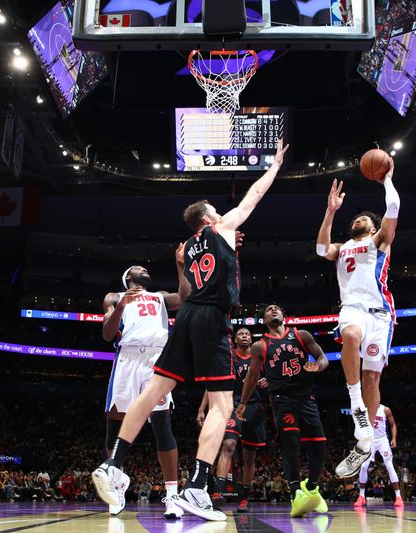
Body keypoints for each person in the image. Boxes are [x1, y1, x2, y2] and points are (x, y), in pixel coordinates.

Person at [93, 140, 290, 521]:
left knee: (154, 389)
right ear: (207, 219)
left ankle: (114, 463)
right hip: (212, 316)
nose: (222, 213)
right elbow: (253, 197)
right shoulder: (221, 228)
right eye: (216, 212)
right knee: (222, 405)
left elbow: (196, 278)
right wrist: (275, 166)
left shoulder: (191, 246)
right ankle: (197, 487)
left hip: (185, 318)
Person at [315, 158, 400, 478]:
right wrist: (331, 210)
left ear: (374, 227)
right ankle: (357, 407)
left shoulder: (380, 242)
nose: (358, 220)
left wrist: (387, 180)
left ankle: (364, 440)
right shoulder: (343, 247)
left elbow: (393, 207)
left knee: (372, 379)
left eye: (363, 217)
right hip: (352, 309)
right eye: (356, 218)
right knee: (349, 336)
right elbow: (322, 248)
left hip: (381, 315)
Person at [100, 246, 190, 518]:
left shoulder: (159, 296)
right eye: (140, 268)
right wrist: (122, 307)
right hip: (127, 359)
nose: (145, 270)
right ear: (128, 276)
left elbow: (185, 298)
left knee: (162, 425)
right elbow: (107, 334)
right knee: (115, 426)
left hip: (156, 360)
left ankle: (172, 496)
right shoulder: (114, 297)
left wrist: (180, 264)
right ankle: (115, 487)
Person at [237, 304, 330, 518]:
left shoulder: (302, 335)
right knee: (291, 441)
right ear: (265, 320)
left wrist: (319, 366)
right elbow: (252, 375)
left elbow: (323, 358)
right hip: (281, 399)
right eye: (269, 310)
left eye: (277, 308)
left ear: (284, 315)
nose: (273, 310)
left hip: (306, 397)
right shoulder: (260, 346)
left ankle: (312, 487)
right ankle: (296, 492)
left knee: (319, 445)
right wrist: (243, 402)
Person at [198, 327, 268, 513]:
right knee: (228, 444)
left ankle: (244, 497)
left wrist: (266, 380)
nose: (245, 336)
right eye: (241, 334)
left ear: (252, 340)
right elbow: (213, 382)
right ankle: (218, 493)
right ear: (235, 340)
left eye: (247, 334)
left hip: (254, 406)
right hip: (232, 404)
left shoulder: (261, 357)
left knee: (249, 455)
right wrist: (202, 408)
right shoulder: (228, 358)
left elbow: (275, 376)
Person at [354, 404, 404, 508]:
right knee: (363, 466)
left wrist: (394, 438)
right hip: (369, 440)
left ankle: (398, 497)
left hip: (382, 440)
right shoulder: (364, 409)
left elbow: (393, 424)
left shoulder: (385, 409)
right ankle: (361, 496)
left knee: (389, 466)